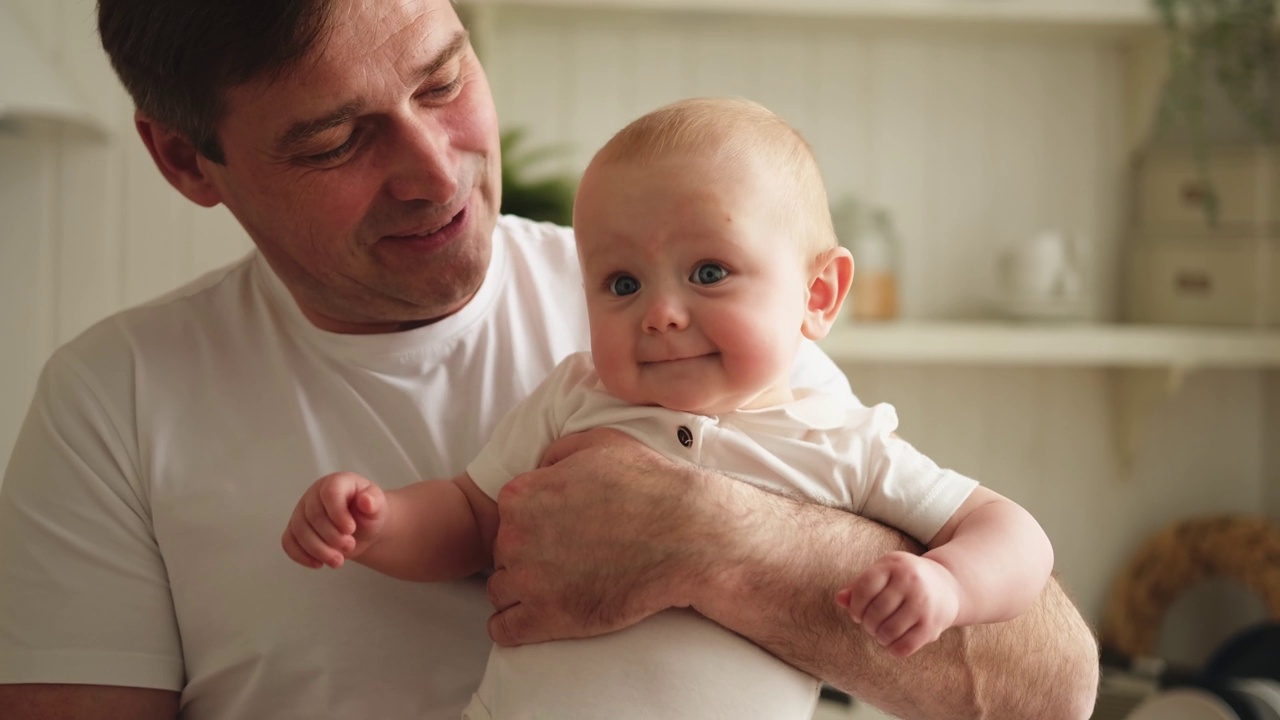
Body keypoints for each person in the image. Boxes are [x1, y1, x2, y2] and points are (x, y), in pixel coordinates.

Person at [0, 0, 1099, 718]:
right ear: (187, 161)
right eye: (337, 139)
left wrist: (701, 539)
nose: (434, 172)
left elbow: (1049, 687)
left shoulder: (714, 316)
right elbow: (463, 519)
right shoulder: (114, 405)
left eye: (440, 82)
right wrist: (375, 522)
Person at [281, 97, 1058, 720]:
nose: (660, 314)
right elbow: (470, 517)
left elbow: (1009, 533)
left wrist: (951, 585)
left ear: (817, 295)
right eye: (621, 284)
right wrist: (379, 523)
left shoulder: (841, 441)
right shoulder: (578, 397)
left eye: (709, 271)